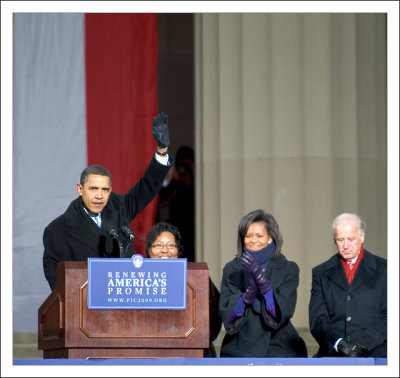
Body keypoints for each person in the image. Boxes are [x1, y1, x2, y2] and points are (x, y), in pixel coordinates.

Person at [43, 113, 173, 290]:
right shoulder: (58, 230)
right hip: (87, 312)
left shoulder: (119, 207)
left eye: (104, 190)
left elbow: (146, 188)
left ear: (110, 190)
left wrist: (162, 151)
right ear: (80, 190)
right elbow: (58, 287)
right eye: (93, 189)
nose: (99, 196)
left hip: (126, 307)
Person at [219, 209, 307, 357]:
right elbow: (228, 315)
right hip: (239, 346)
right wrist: (247, 295)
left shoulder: (288, 268)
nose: (254, 240)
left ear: (270, 238)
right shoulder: (231, 269)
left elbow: (283, 312)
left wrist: (264, 287)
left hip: (278, 344)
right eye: (248, 236)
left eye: (260, 236)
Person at [309, 213, 387, 358]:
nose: (345, 246)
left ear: (362, 237)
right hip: (334, 352)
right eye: (340, 240)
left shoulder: (385, 269)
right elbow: (317, 320)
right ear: (335, 240)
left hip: (376, 350)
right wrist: (339, 343)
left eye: (351, 239)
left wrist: (362, 344)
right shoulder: (320, 273)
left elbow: (389, 315)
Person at [145, 222, 222, 357]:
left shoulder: (195, 278)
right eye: (158, 245)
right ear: (149, 251)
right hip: (152, 355)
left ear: (178, 250)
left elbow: (214, 318)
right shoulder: (140, 280)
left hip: (191, 354)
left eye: (170, 245)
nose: (165, 250)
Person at [156, 146, 195, 262]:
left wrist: (188, 179)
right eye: (181, 164)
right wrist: (169, 179)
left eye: (187, 164)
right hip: (176, 233)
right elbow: (160, 200)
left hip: (192, 233)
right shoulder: (174, 184)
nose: (184, 169)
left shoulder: (198, 182)